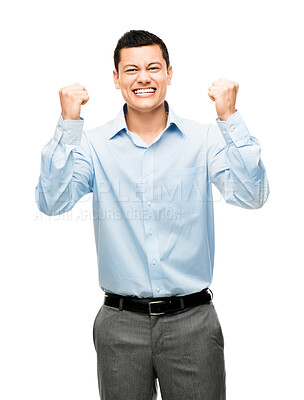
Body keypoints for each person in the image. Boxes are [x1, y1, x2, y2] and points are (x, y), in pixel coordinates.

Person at [35, 30, 269, 400]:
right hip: (119, 326)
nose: (143, 77)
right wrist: (67, 126)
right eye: (131, 69)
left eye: (153, 68)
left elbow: (253, 195)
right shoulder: (91, 145)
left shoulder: (204, 139)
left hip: (193, 324)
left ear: (169, 74)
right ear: (116, 79)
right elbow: (52, 202)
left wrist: (230, 118)